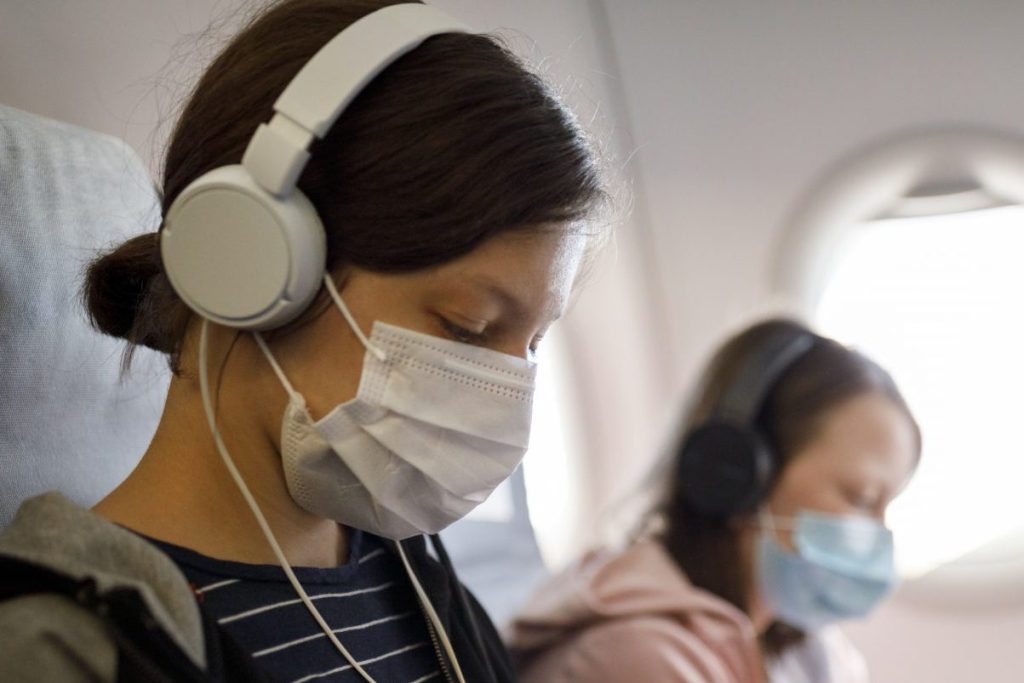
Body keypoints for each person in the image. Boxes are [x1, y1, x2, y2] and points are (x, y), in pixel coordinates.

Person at [0, 1, 606, 682]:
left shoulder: (426, 590)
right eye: (465, 326)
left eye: (532, 343)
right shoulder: (72, 646)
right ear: (250, 266)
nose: (508, 396)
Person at [509, 318, 921, 683]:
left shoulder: (811, 654)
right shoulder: (638, 657)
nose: (880, 533)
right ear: (739, 476)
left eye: (890, 503)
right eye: (862, 498)